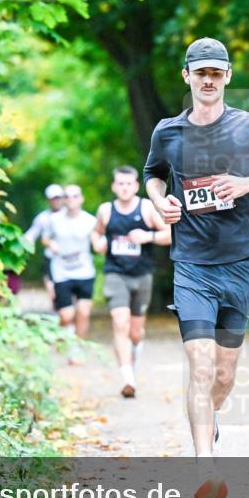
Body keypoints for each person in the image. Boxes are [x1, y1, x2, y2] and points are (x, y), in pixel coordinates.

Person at [142, 37, 249, 498]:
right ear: (187, 77)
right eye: (201, 72)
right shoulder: (168, 132)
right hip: (191, 264)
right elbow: (152, 172)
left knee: (225, 375)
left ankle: (208, 420)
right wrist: (160, 200)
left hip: (239, 263)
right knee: (200, 365)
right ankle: (206, 469)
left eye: (217, 72)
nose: (209, 80)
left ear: (227, 77)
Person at [91, 166, 171, 398]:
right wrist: (97, 243)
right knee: (120, 322)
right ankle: (128, 379)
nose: (125, 188)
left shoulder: (146, 208)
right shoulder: (106, 211)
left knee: (136, 331)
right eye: (120, 184)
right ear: (114, 186)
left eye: (129, 184)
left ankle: (133, 356)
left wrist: (148, 236)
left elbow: (169, 233)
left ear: (136, 186)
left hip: (142, 275)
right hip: (115, 273)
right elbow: (96, 234)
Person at [43, 184, 97, 345]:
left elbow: (98, 239)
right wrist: (51, 245)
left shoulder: (90, 221)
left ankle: (77, 348)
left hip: (84, 271)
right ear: (63, 200)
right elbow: (45, 238)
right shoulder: (54, 220)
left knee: (83, 312)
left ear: (81, 199)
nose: (71, 199)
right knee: (66, 315)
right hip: (61, 272)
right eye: (67, 196)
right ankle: (64, 333)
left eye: (75, 196)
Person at [23, 184, 66, 306]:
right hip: (51, 259)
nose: (56, 201)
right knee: (53, 291)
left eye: (58, 197)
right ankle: (58, 315)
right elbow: (30, 235)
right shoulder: (42, 218)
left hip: (68, 259)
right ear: (48, 200)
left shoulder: (69, 215)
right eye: (53, 198)